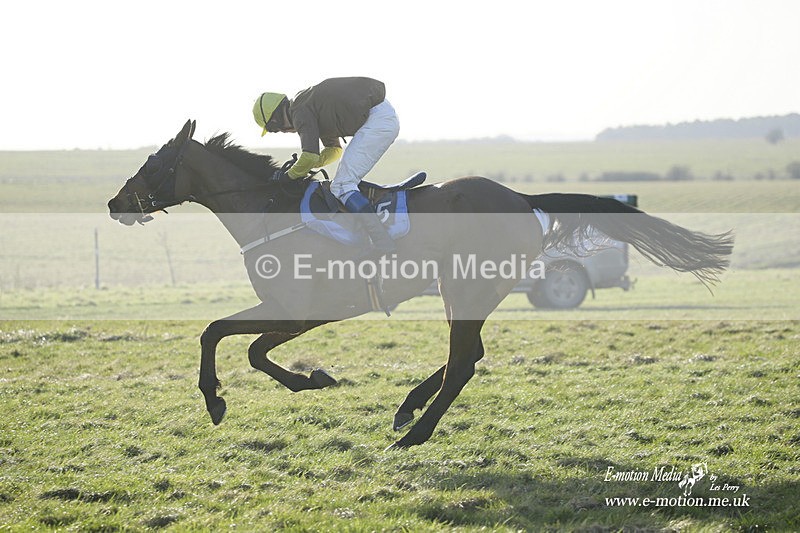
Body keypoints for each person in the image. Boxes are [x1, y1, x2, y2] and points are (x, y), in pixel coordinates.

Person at [253, 77, 399, 256]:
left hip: (377, 121)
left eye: (275, 129)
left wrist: (288, 176)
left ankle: (382, 242)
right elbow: (334, 151)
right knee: (343, 183)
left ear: (275, 120)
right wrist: (307, 165)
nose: (282, 132)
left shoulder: (299, 111)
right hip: (380, 116)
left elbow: (309, 156)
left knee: (342, 185)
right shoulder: (308, 106)